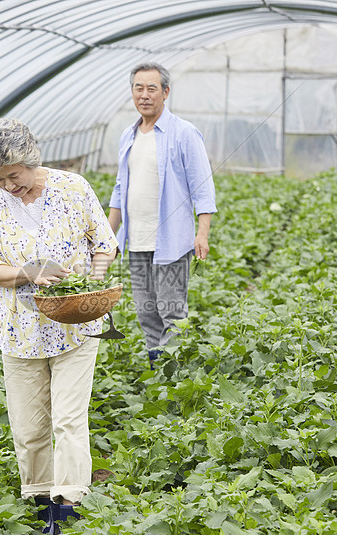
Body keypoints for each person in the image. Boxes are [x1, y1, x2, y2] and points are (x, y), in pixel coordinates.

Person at [0, 118, 118, 535]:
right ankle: (38, 498)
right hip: (18, 329)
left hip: (75, 324)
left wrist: (93, 280)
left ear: (31, 161)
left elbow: (103, 242)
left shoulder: (72, 188)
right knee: (29, 425)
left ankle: (68, 503)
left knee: (69, 419)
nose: (7, 186)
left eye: (13, 176)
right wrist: (26, 272)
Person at [108, 62, 217, 368]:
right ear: (132, 92)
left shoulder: (183, 133)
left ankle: (175, 378)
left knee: (171, 312)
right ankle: (159, 371)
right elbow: (119, 189)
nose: (144, 95)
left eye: (151, 88)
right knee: (146, 312)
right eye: (138, 88)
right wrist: (108, 237)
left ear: (165, 92)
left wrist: (202, 232)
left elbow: (202, 186)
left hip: (170, 241)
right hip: (137, 241)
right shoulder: (128, 136)